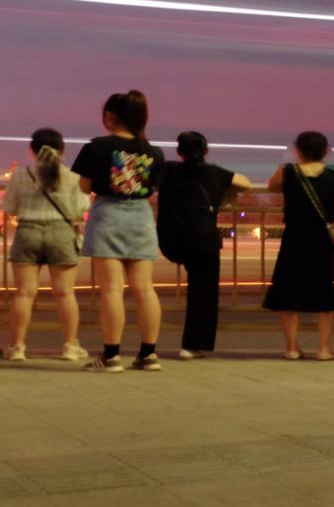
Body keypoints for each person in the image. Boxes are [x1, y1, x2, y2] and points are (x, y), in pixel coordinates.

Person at [71, 90, 166, 373]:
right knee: (145, 288)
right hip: (140, 216)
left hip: (109, 216)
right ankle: (148, 354)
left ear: (110, 117)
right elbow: (155, 188)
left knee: (112, 289)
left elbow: (85, 187)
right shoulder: (154, 151)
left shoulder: (96, 147)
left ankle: (111, 356)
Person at [263, 131, 334, 360]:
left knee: (289, 294)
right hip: (323, 241)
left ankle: (292, 348)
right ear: (325, 151)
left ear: (298, 150)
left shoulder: (287, 172)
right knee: (327, 295)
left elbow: (271, 187)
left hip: (294, 239)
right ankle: (324, 348)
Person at [157, 131, 252, 360]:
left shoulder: (167, 170)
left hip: (171, 238)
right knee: (204, 291)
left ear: (179, 151)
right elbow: (245, 183)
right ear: (206, 150)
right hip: (202, 238)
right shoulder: (214, 172)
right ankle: (191, 345)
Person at [2, 129, 91, 361]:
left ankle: (17, 347)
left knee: (24, 293)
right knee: (64, 293)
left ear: (32, 150)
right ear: (62, 150)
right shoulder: (72, 176)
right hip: (61, 233)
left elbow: (10, 208)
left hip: (28, 232)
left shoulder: (21, 175)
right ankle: (71, 346)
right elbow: (82, 207)